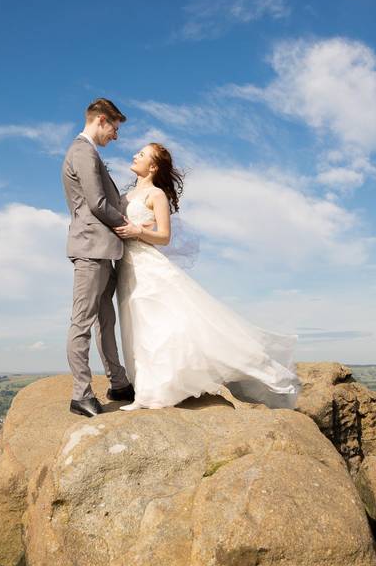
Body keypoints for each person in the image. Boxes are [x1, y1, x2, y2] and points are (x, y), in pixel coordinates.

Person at [113, 143, 299, 410]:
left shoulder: (156, 196)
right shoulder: (127, 195)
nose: (135, 155)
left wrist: (136, 231)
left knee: (154, 325)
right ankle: (147, 386)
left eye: (141, 154)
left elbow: (164, 237)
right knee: (134, 325)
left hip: (147, 265)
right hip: (126, 267)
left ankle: (152, 394)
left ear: (153, 166)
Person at [61, 98, 136, 417]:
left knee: (107, 320)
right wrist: (129, 226)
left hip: (103, 251)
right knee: (83, 322)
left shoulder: (89, 153)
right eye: (115, 129)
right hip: (91, 249)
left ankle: (118, 382)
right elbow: (97, 203)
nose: (115, 137)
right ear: (102, 120)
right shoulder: (82, 150)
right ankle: (81, 394)